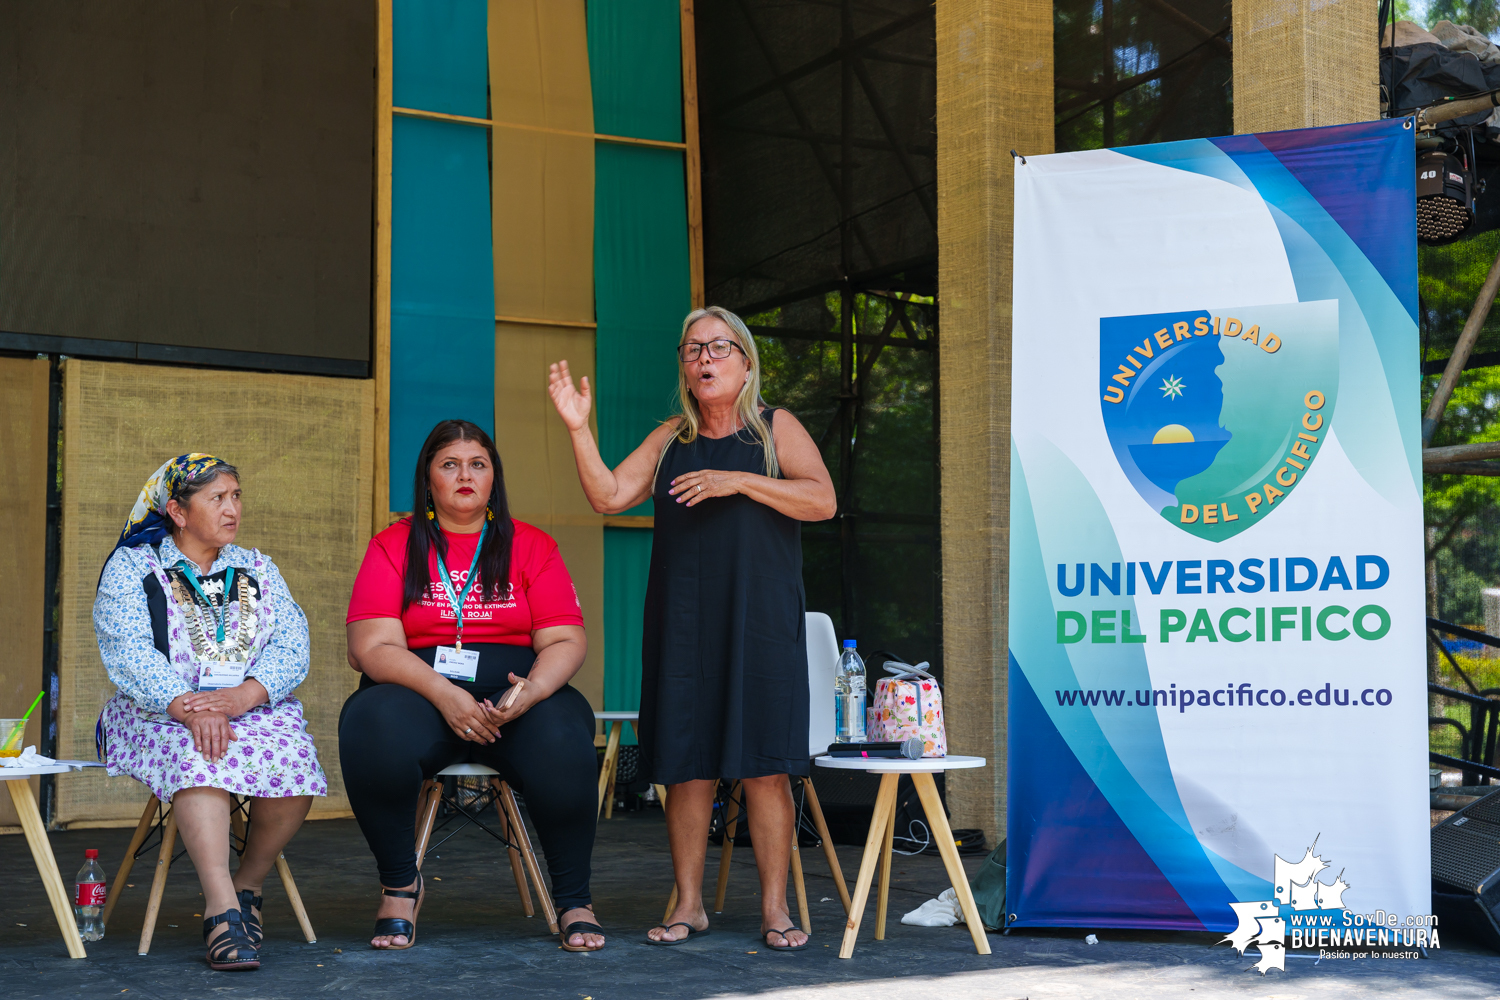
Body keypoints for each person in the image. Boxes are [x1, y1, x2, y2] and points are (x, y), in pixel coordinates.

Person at [548, 305, 837, 950]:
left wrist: (738, 481)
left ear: (746, 360)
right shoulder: (670, 438)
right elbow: (607, 495)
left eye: (718, 346)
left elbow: (822, 499)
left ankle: (774, 909)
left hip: (760, 625)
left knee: (764, 766)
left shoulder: (774, 427)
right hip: (683, 625)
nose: (704, 358)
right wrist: (578, 428)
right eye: (692, 348)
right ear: (683, 364)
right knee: (686, 765)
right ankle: (689, 904)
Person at [339, 420, 604, 952]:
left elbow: (566, 641)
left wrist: (530, 691)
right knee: (370, 722)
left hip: (515, 700)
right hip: (421, 698)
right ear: (429, 478)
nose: (465, 475)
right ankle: (398, 886)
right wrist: (445, 694)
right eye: (450, 464)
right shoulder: (394, 544)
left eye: (478, 464)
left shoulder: (532, 545)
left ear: (493, 478)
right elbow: (370, 648)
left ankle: (575, 898)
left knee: (565, 733)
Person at [94, 454, 325, 972]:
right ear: (177, 510)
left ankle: (248, 885)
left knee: (296, 755)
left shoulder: (256, 567)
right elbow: (127, 651)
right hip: (156, 711)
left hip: (245, 707)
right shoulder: (135, 567)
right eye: (217, 498)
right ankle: (221, 910)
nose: (232, 509)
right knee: (199, 751)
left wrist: (244, 697)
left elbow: (293, 643)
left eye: (236, 496)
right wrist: (188, 707)